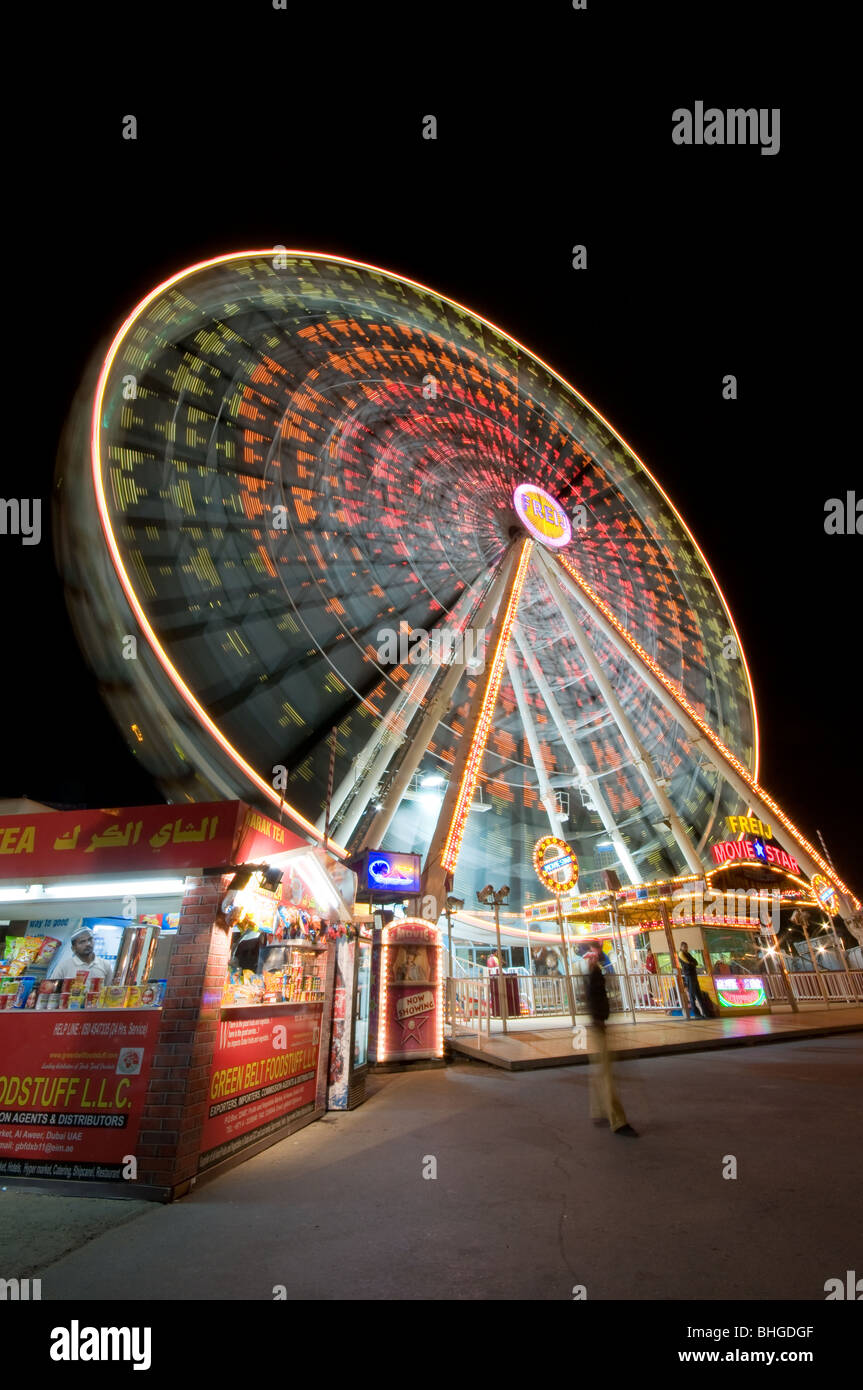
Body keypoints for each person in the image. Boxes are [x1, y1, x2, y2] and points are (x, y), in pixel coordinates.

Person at [586, 948, 637, 1136]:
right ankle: (618, 1120)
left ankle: (598, 1110)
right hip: (598, 1023)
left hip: (597, 1023)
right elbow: (595, 996)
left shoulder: (593, 972)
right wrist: (600, 1018)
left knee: (600, 1069)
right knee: (606, 1074)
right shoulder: (595, 973)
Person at [47, 926, 114, 988]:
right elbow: (52, 990)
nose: (88, 944)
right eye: (82, 942)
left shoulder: (105, 965)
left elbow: (108, 990)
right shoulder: (63, 967)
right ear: (73, 948)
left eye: (90, 940)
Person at [678, 941, 708, 1018]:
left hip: (693, 975)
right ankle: (696, 1013)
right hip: (689, 975)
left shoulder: (688, 954)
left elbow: (695, 962)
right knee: (692, 994)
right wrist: (692, 964)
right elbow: (688, 964)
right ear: (681, 947)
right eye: (684, 947)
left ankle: (704, 1012)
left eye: (686, 947)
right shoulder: (681, 954)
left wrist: (692, 963)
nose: (686, 948)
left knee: (698, 994)